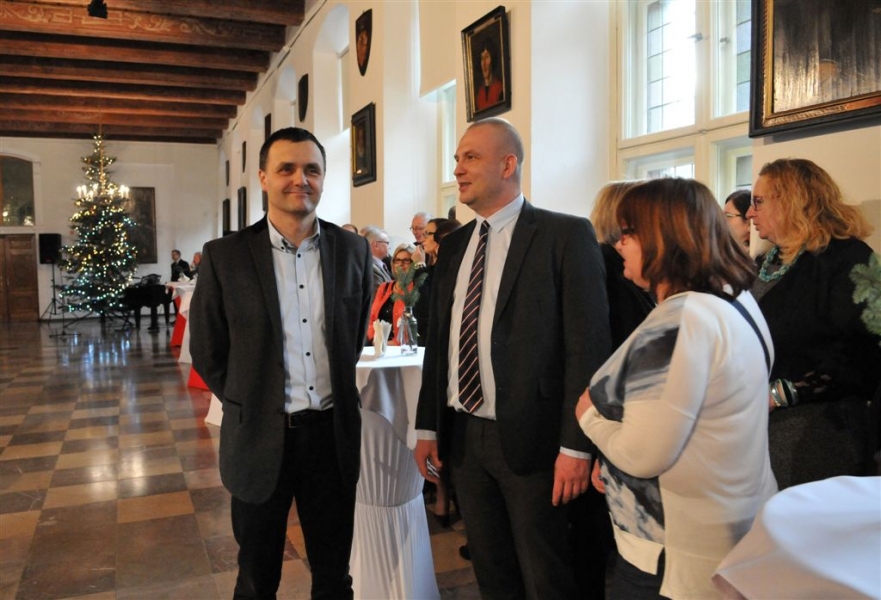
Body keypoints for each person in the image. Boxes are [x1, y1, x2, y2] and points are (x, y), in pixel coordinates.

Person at [414, 117, 611, 599]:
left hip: (535, 440)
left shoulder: (564, 235)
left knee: (546, 575)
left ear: (508, 165)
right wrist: (428, 427)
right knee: (492, 570)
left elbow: (588, 346)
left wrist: (576, 447)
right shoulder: (454, 246)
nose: (458, 169)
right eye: (457, 158)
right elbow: (439, 343)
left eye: (471, 158)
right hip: (464, 437)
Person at [189, 127, 373, 599]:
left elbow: (352, 338)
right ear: (264, 178)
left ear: (324, 177)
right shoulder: (226, 256)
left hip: (331, 437)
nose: (300, 179)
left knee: (334, 576)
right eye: (286, 168)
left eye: (312, 169)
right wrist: (250, 398)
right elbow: (208, 349)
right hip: (259, 436)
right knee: (256, 577)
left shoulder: (352, 251)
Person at [576, 177, 778, 600]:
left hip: (674, 551)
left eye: (628, 233)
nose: (618, 244)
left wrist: (590, 417)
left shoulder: (679, 320)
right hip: (734, 522)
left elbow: (643, 454)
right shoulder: (734, 297)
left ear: (662, 238)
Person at [746, 158, 881, 489]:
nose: (750, 213)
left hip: (819, 432)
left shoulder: (850, 259)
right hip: (755, 431)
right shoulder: (764, 261)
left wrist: (780, 394)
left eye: (758, 201)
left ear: (792, 201)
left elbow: (864, 353)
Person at [366, 242, 424, 344]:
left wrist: (396, 343)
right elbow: (372, 318)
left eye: (406, 260)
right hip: (379, 345)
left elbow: (417, 324)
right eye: (397, 260)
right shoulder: (384, 287)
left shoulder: (418, 288)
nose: (401, 264)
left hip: (405, 347)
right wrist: (375, 340)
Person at [474, 37, 504, 111]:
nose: (484, 63)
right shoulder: (479, 94)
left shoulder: (500, 88)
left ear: (492, 59)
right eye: (482, 58)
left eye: (487, 57)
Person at [361, 225, 392, 295]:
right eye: (387, 243)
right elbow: (377, 295)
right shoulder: (372, 268)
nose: (389, 247)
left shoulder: (377, 265)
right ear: (376, 245)